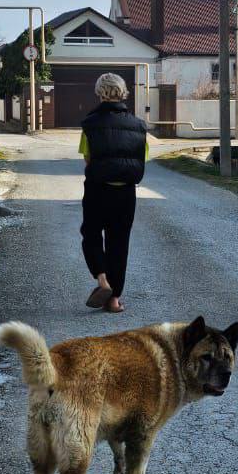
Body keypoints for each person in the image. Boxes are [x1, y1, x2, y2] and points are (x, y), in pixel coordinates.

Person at [79, 72, 148, 314]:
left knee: (91, 234)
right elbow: (143, 157)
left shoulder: (89, 124)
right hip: (126, 193)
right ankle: (114, 300)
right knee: (119, 243)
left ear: (100, 93)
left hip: (98, 189)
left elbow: (87, 158)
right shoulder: (139, 125)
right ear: (123, 93)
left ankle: (102, 281)